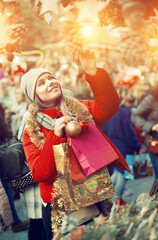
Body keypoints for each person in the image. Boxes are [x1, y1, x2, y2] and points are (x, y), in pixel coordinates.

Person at [20, 50, 131, 240]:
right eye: (41, 83)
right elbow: (41, 174)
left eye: (51, 77)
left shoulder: (79, 109)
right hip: (62, 209)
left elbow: (109, 105)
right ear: (33, 94)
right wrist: (56, 136)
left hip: (94, 196)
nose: (50, 82)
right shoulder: (31, 130)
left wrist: (93, 72)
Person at [102, 85, 141, 205]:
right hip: (124, 146)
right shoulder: (123, 111)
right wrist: (137, 146)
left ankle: (105, 194)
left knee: (118, 173)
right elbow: (129, 132)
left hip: (112, 145)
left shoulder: (109, 110)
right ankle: (117, 199)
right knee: (124, 174)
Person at [131, 77, 158, 193]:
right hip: (156, 144)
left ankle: (156, 205)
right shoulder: (151, 99)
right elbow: (135, 116)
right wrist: (151, 127)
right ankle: (153, 203)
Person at [0, 103, 30, 233]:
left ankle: (12, 221)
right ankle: (13, 222)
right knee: (5, 188)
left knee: (5, 188)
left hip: (3, 145)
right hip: (1, 148)